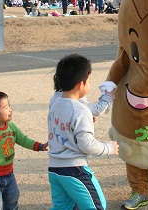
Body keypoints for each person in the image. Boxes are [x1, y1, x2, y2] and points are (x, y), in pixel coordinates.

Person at [48, 54, 119, 210]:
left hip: (54, 169)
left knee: (63, 207)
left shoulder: (54, 102)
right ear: (81, 85)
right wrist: (109, 148)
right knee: (97, 206)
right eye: (89, 81)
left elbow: (66, 125)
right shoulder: (81, 110)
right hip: (75, 170)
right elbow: (86, 144)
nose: (89, 84)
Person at [0, 91, 48, 210]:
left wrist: (39, 146)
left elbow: (23, 140)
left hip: (9, 174)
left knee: (12, 199)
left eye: (9, 105)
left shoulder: (11, 127)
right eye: (5, 107)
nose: (10, 109)